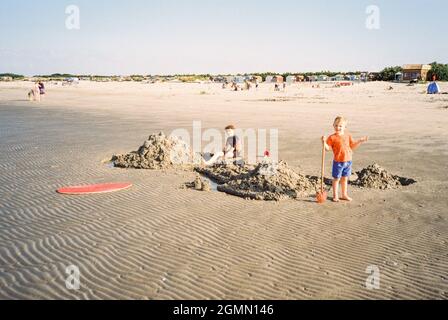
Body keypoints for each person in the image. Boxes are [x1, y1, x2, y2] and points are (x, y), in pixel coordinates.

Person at [322, 116, 368, 202]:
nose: (337, 127)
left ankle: (344, 195)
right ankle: (335, 195)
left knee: (345, 178)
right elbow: (327, 149)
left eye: (340, 126)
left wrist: (360, 141)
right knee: (336, 179)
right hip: (338, 162)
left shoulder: (348, 135)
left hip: (348, 161)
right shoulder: (332, 137)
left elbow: (352, 146)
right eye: (336, 125)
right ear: (333, 125)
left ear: (344, 127)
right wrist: (324, 142)